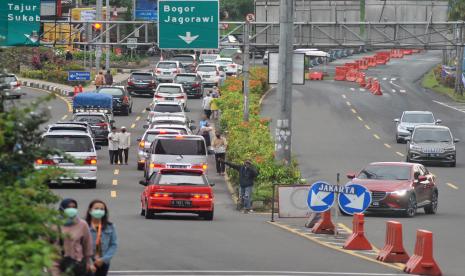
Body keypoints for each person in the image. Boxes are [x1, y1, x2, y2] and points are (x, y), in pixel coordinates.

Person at [53, 198, 93, 276]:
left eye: (74, 207)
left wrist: (88, 262)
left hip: (77, 263)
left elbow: (87, 244)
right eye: (68, 207)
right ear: (62, 209)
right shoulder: (54, 224)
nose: (71, 209)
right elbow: (46, 243)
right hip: (58, 264)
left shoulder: (82, 224)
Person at [85, 200, 118, 276]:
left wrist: (104, 259)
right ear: (90, 211)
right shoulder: (84, 226)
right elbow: (80, 246)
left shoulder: (110, 226)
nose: (99, 211)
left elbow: (113, 245)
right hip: (87, 262)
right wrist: (88, 262)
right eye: (96, 209)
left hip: (103, 262)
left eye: (101, 209)